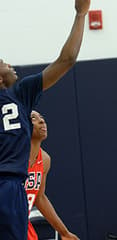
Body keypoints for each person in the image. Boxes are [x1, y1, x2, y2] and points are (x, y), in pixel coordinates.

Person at [0, 0, 90, 239]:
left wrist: (81, 15)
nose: (9, 64)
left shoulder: (21, 93)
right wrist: (81, 14)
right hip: (9, 186)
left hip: (13, 186)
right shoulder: (18, 95)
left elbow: (67, 59)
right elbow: (66, 60)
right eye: (3, 63)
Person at [25, 110, 78, 240]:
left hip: (21, 224)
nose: (41, 121)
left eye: (41, 117)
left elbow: (40, 197)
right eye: (33, 118)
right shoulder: (10, 155)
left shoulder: (45, 159)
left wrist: (64, 232)